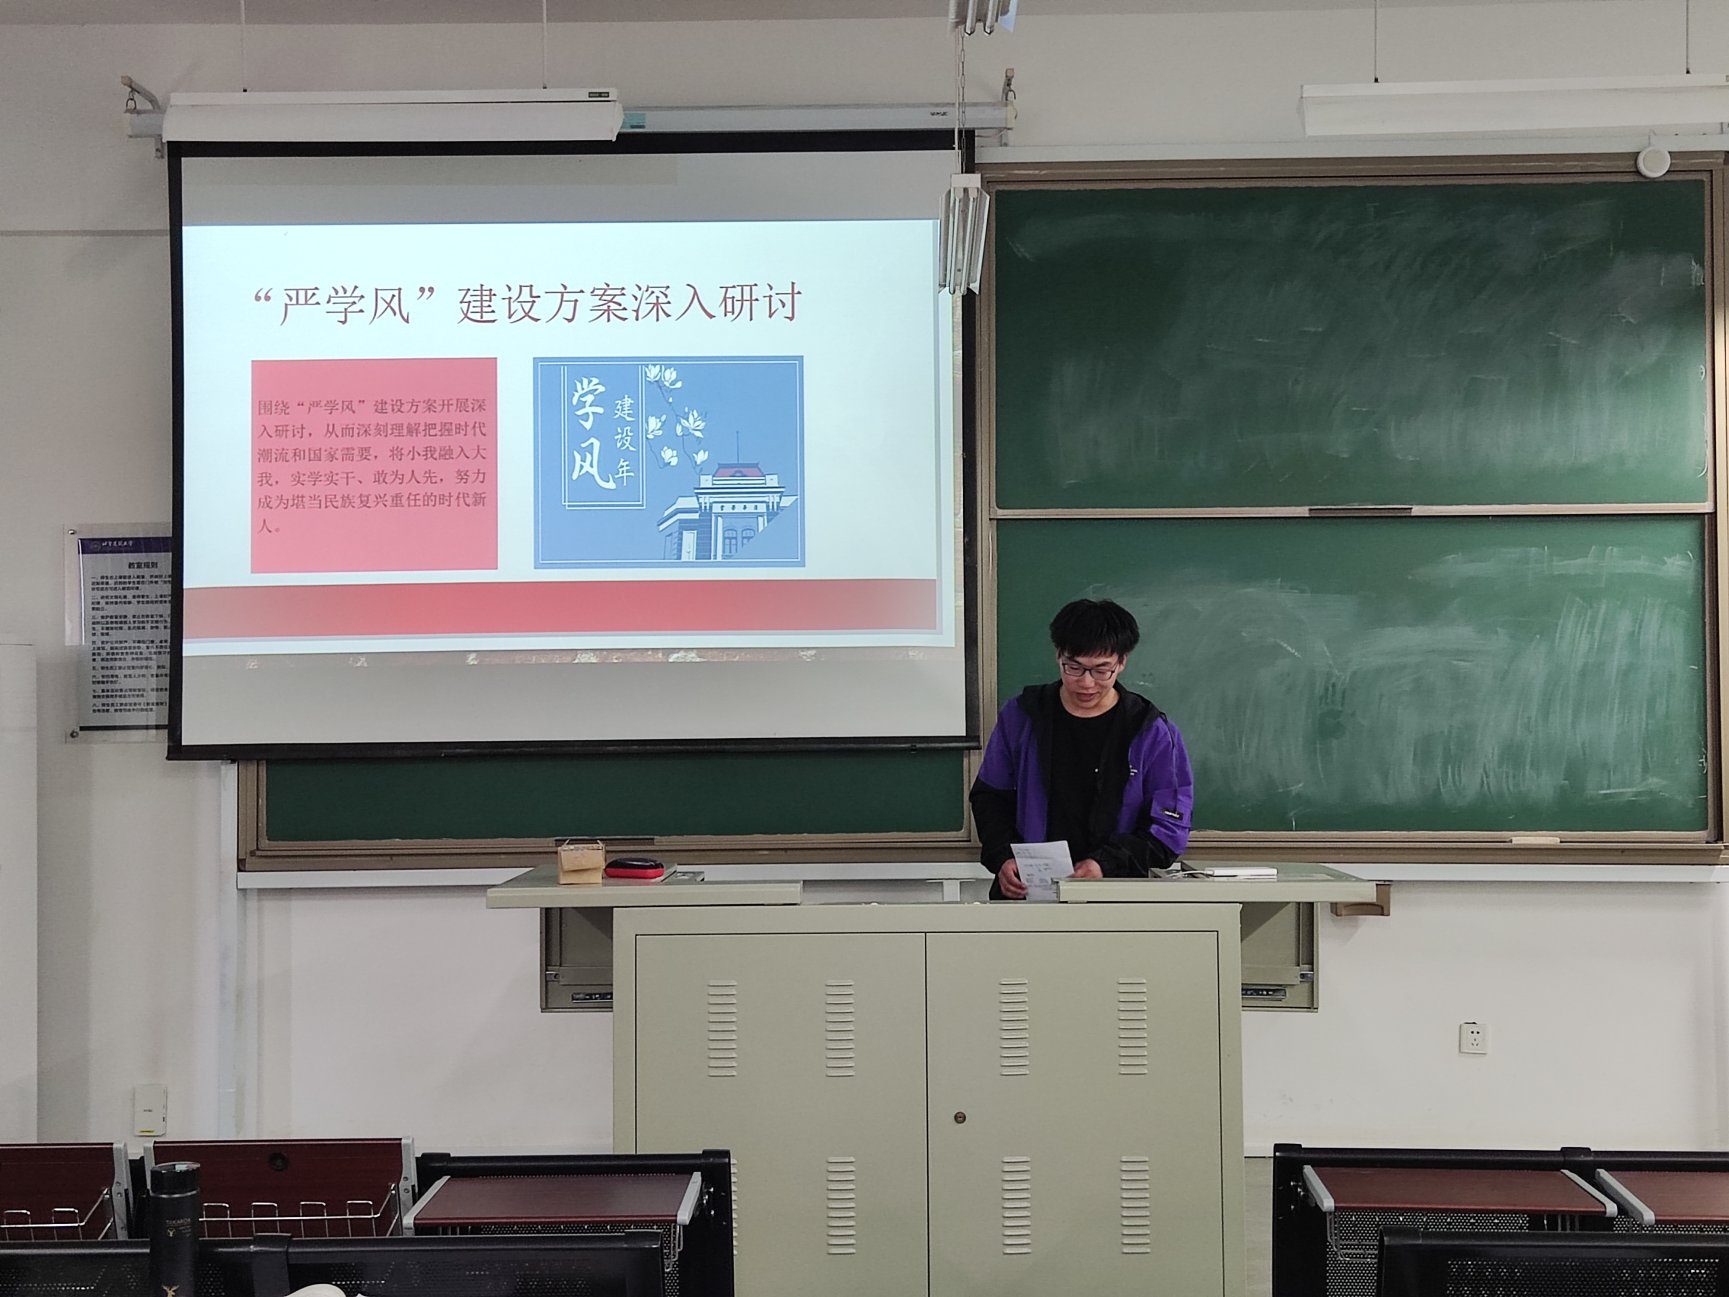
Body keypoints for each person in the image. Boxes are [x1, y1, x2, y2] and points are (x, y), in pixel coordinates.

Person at [970, 598, 1193, 899]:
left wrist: (1105, 864)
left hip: (1117, 896)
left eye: (1102, 670)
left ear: (1122, 661)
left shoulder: (1150, 731)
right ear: (1058, 655)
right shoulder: (1023, 716)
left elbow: (1169, 829)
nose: (1086, 683)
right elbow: (990, 798)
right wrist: (1003, 857)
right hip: (1029, 893)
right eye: (1073, 667)